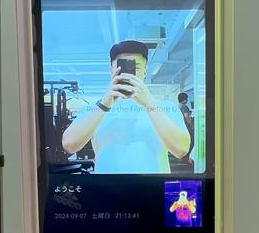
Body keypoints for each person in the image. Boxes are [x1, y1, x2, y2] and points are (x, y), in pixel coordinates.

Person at [62, 40, 190, 173]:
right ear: (111, 70)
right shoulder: (94, 109)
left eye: (136, 67)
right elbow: (69, 145)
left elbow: (181, 150)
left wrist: (149, 104)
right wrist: (104, 104)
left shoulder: (166, 107)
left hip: (151, 185)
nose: (129, 74)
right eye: (121, 66)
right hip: (107, 186)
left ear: (145, 71)